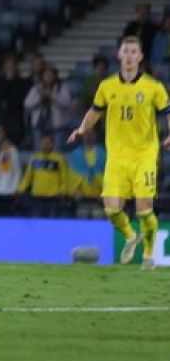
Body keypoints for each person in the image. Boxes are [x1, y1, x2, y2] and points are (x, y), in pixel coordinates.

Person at [68, 35, 170, 270]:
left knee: (144, 208)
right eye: (126, 51)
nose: (129, 56)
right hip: (116, 156)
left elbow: (168, 111)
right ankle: (131, 236)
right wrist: (82, 128)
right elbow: (95, 111)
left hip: (144, 154)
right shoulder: (107, 86)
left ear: (140, 57)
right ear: (119, 55)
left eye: (134, 52)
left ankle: (148, 255)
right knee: (112, 209)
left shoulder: (153, 87)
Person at [16, 132, 67, 217]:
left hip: (53, 197)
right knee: (37, 221)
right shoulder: (34, 158)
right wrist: (20, 190)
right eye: (43, 143)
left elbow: (64, 178)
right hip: (37, 197)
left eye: (47, 143)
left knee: (52, 222)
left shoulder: (59, 159)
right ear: (40, 144)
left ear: (52, 144)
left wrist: (62, 192)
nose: (45, 145)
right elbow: (28, 177)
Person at [24, 64, 73, 151]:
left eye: (51, 75)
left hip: (56, 126)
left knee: (57, 151)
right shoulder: (36, 89)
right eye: (46, 75)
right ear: (42, 76)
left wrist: (52, 96)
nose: (48, 78)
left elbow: (67, 103)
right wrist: (40, 99)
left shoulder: (61, 88)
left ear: (55, 76)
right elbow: (27, 104)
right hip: (39, 125)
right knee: (39, 150)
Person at [0, 54, 30, 147]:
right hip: (0, 120)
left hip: (15, 122)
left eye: (12, 67)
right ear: (4, 68)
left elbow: (18, 100)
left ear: (16, 68)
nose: (10, 69)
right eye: (8, 67)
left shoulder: (22, 83)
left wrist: (10, 82)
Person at [67, 129, 105, 200]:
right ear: (82, 136)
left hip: (100, 197)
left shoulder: (103, 154)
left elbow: (108, 173)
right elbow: (71, 175)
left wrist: (104, 191)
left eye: (91, 133)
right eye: (86, 133)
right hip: (80, 197)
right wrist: (76, 190)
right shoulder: (75, 154)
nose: (88, 136)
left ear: (96, 135)